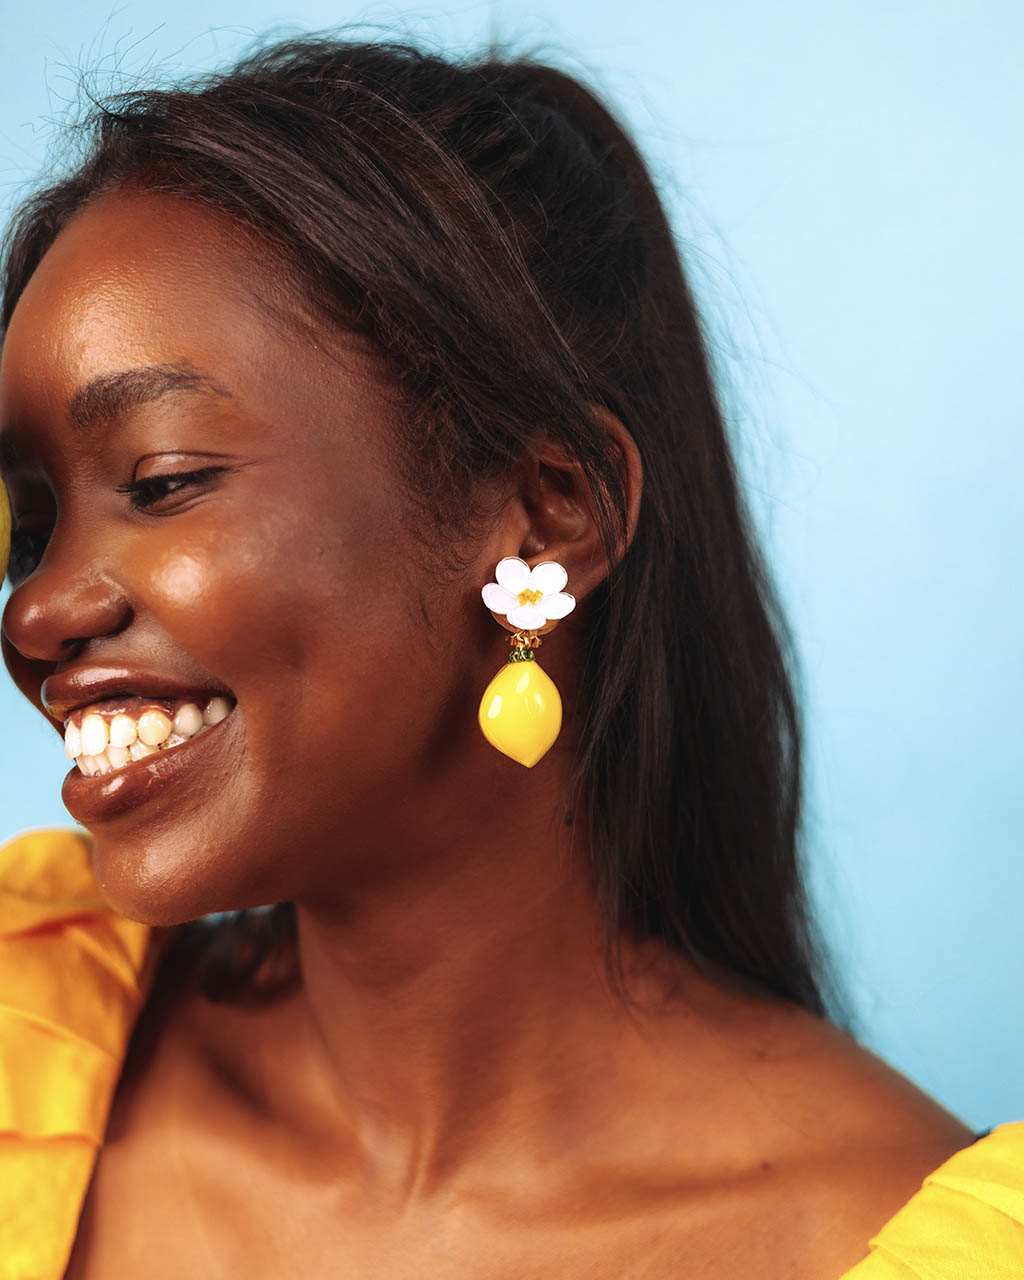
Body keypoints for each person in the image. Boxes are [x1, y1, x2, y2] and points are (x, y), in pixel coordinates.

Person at [0, 36, 1019, 1279]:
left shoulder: (916, 1242)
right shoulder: (23, 1031)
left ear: (548, 516)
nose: (37, 610)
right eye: (30, 528)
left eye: (162, 480)